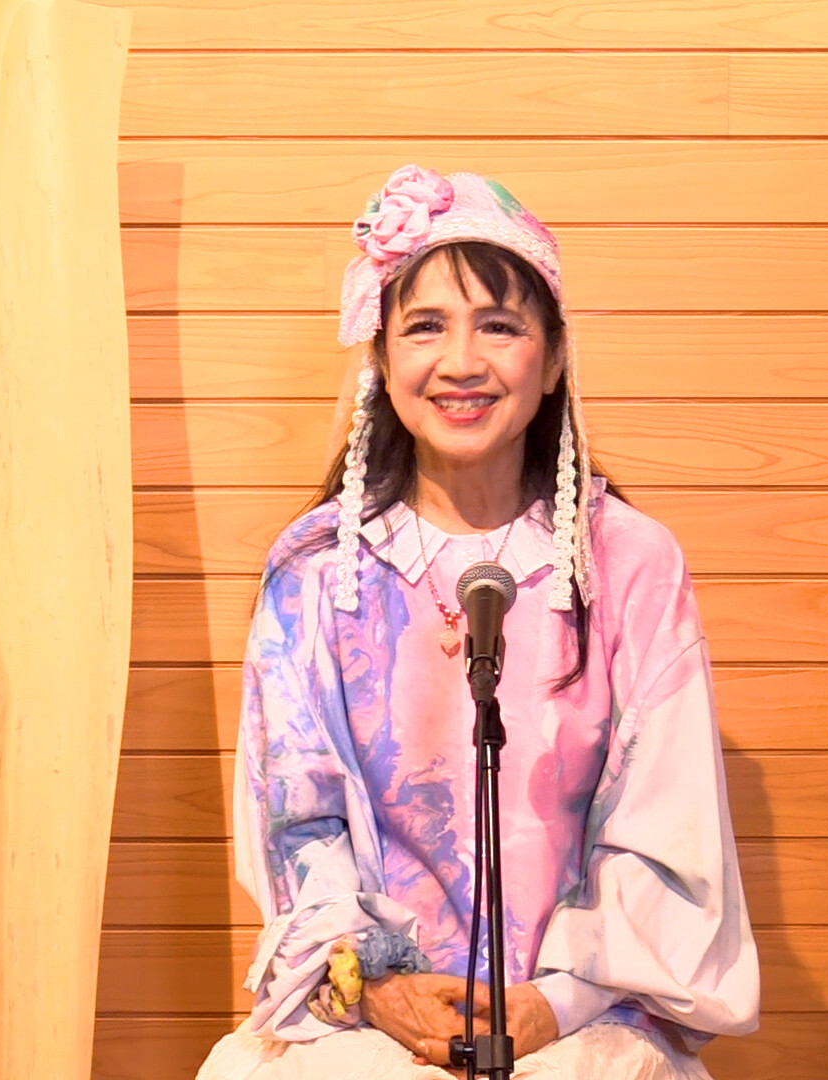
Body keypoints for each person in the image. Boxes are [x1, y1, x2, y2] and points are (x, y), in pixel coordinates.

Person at [194, 166, 759, 1080]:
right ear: (381, 358)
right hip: (371, 1016)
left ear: (555, 358)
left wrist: (553, 1002)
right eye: (425, 326)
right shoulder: (315, 572)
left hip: (582, 1015)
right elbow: (299, 825)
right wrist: (379, 988)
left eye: (499, 326)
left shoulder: (629, 563)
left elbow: (665, 826)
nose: (461, 361)